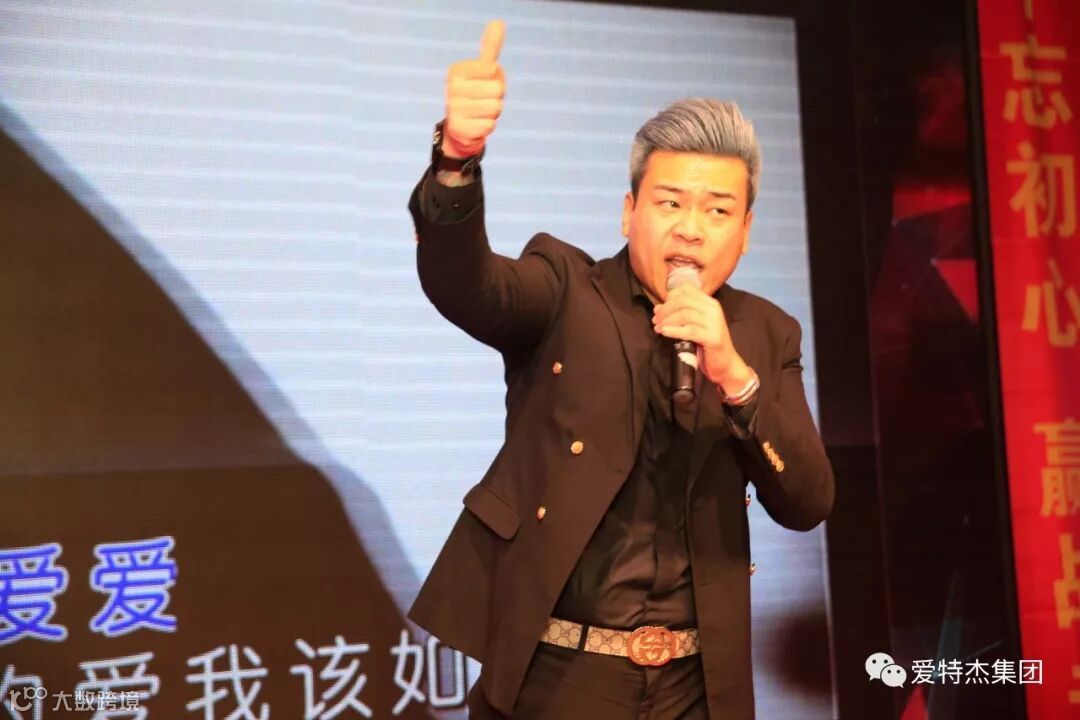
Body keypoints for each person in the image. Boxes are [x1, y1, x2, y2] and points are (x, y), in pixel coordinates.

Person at [406, 20, 834, 720]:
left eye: (718, 210)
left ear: (746, 230)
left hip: (699, 686)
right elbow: (465, 283)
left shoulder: (764, 332)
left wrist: (734, 376)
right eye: (670, 203)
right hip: (561, 674)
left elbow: (808, 501)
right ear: (629, 212)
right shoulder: (566, 290)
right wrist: (457, 158)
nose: (691, 228)